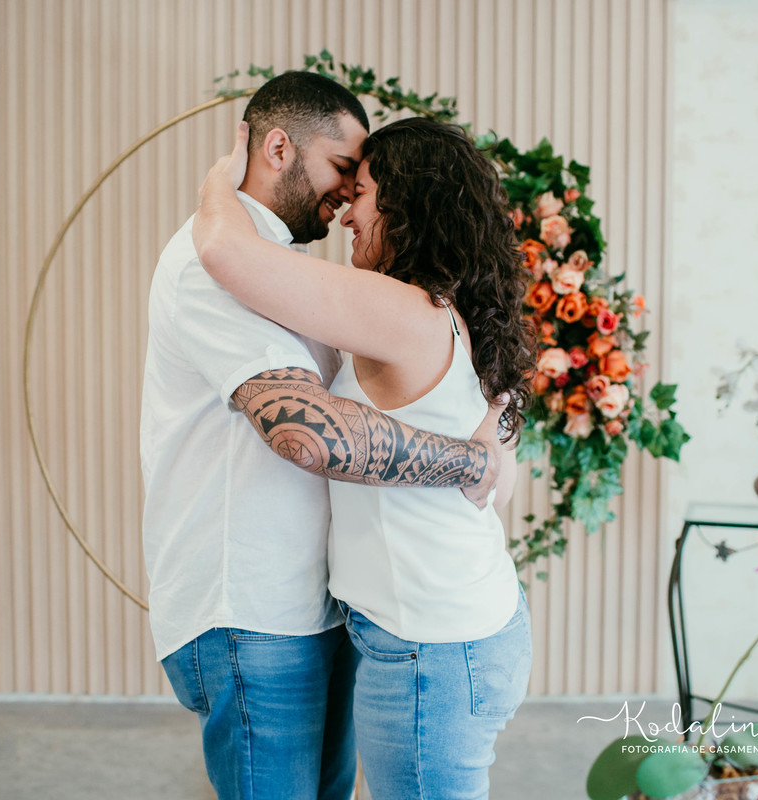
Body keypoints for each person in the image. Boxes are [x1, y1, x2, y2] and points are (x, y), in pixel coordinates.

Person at [140, 72, 511, 800]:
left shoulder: (293, 269)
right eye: (344, 169)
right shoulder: (212, 266)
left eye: (362, 186)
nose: (346, 197)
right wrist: (470, 461)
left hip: (324, 607)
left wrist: (220, 189)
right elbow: (308, 436)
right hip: (251, 609)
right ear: (279, 146)